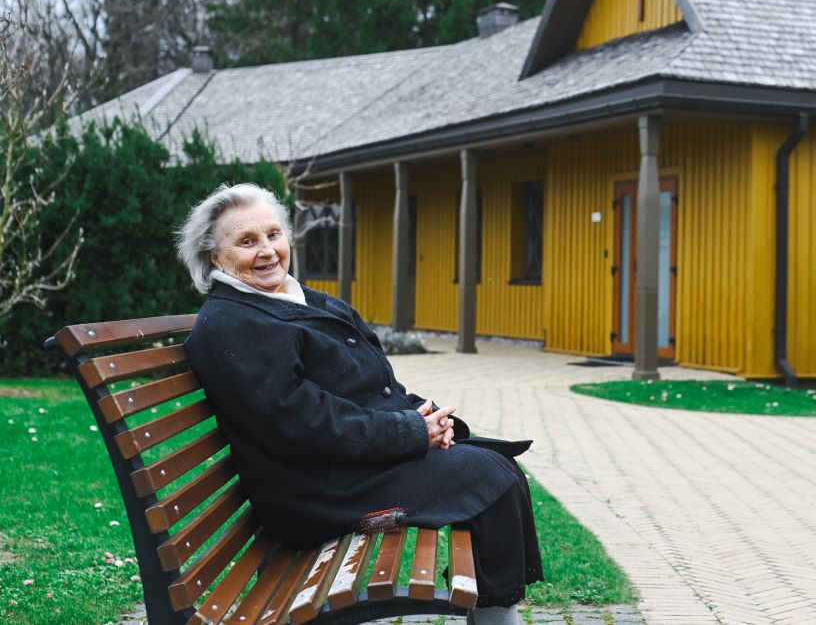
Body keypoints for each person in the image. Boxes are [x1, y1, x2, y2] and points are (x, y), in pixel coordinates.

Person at [176, 183, 542, 625]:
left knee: (493, 463)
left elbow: (371, 383)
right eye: (247, 241)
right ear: (216, 258)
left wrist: (427, 419)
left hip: (347, 469)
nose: (268, 251)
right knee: (490, 479)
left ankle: (495, 615)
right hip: (316, 493)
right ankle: (497, 621)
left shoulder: (294, 299)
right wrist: (410, 432)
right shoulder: (231, 324)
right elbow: (300, 421)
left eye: (273, 235)